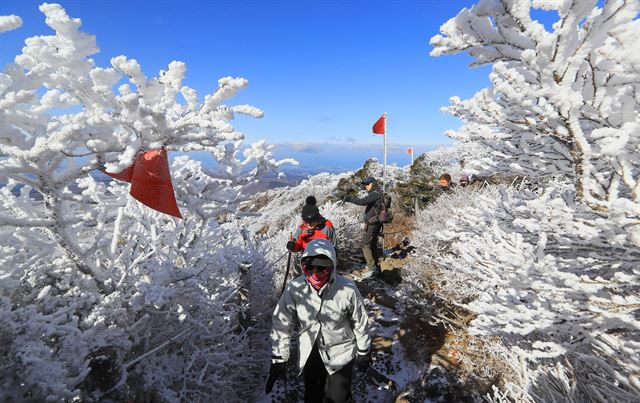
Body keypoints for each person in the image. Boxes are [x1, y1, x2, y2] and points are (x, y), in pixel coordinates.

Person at [266, 239, 372, 403]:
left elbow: (360, 321)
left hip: (341, 353)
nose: (315, 272)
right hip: (310, 352)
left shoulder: (347, 289)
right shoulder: (296, 288)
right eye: (310, 267)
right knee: (312, 396)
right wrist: (279, 358)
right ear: (303, 267)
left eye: (321, 267)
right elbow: (282, 322)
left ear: (332, 267)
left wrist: (364, 351)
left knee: (338, 398)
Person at [344, 177, 383, 278]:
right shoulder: (377, 193)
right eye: (365, 184)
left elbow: (362, 202)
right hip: (375, 223)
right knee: (372, 244)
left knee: (365, 244)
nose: (366, 186)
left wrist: (349, 199)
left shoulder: (374, 194)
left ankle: (372, 268)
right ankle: (376, 268)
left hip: (373, 224)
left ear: (373, 184)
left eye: (367, 184)